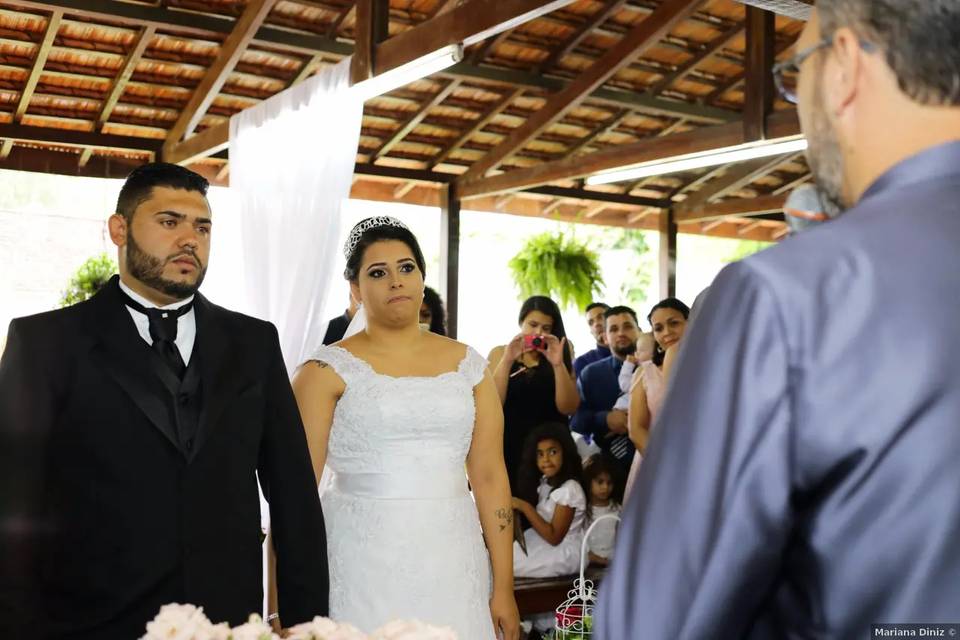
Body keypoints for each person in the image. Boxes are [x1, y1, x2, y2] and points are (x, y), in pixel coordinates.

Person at [597, 1, 960, 637]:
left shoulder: (788, 297)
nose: (798, 100)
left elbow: (655, 621)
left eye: (798, 70)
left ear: (844, 64)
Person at [0, 163, 328, 639]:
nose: (189, 239)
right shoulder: (44, 342)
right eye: (169, 222)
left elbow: (294, 497)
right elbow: (13, 503)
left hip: (227, 620)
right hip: (90, 621)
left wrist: (307, 626)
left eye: (202, 226)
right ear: (119, 229)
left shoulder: (254, 343)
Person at [291, 217, 519, 639]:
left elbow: (489, 475)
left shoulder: (469, 365)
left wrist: (503, 586)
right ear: (356, 291)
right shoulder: (322, 371)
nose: (396, 281)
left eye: (406, 267)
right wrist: (286, 606)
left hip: (453, 555)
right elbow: (296, 495)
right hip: (360, 556)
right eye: (378, 273)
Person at [487, 296, 579, 490]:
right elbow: (492, 404)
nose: (539, 333)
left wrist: (558, 364)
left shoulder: (561, 350)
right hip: (512, 445)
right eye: (533, 325)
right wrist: (507, 360)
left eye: (546, 328)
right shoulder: (500, 353)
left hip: (551, 449)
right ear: (521, 323)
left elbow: (568, 407)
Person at [622, 298, 689, 502]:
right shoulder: (645, 372)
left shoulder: (712, 363)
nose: (666, 332)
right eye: (658, 328)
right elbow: (636, 429)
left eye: (674, 323)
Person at [571, 305, 641, 473]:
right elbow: (576, 422)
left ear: (639, 330)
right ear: (605, 337)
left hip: (657, 457)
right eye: (614, 329)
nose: (621, 333)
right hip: (610, 471)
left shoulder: (658, 367)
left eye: (628, 326)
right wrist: (605, 419)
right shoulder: (591, 374)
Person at [580, 454, 624, 567]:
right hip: (586, 563)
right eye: (600, 482)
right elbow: (579, 539)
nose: (605, 487)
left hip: (613, 562)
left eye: (609, 483)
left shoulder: (617, 509)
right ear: (589, 481)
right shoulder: (582, 509)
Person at [573, 302, 610, 380]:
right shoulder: (582, 363)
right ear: (591, 332)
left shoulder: (636, 352)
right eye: (591, 322)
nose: (596, 324)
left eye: (601, 317)